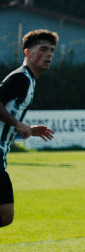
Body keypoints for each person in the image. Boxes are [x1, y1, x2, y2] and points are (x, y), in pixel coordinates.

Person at [0, 30, 57, 227]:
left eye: (51, 50)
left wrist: (29, 129)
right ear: (27, 53)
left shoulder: (29, 80)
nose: (49, 54)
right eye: (43, 49)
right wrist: (17, 124)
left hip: (1, 153)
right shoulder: (21, 78)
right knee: (5, 214)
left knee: (4, 215)